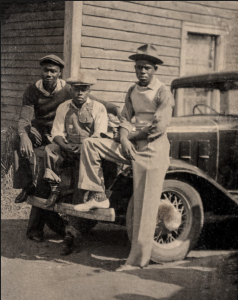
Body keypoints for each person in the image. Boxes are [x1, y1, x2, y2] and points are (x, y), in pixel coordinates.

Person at [73, 44, 175, 270]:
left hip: (152, 150)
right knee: (91, 144)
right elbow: (124, 119)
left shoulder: (163, 93)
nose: (142, 72)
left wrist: (132, 138)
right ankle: (97, 196)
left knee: (145, 207)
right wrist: (125, 139)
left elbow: (158, 127)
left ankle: (137, 260)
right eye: (138, 67)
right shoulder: (131, 91)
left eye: (147, 67)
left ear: (155, 68)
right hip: (130, 145)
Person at [14, 55, 121, 242]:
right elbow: (25, 117)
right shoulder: (32, 90)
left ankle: (74, 225)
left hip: (66, 137)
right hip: (46, 133)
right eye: (46, 70)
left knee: (58, 175)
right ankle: (26, 187)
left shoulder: (68, 90)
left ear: (59, 73)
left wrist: (115, 109)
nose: (49, 74)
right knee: (24, 143)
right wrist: (25, 136)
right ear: (41, 71)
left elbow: (94, 100)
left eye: (53, 71)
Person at [43, 73, 109, 255]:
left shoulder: (98, 108)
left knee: (81, 180)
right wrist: (65, 146)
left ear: (89, 90)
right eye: (76, 89)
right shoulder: (64, 107)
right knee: (49, 150)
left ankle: (72, 234)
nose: (80, 92)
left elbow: (100, 135)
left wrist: (83, 148)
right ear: (70, 89)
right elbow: (56, 132)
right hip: (68, 148)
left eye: (84, 88)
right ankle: (54, 186)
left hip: (89, 152)